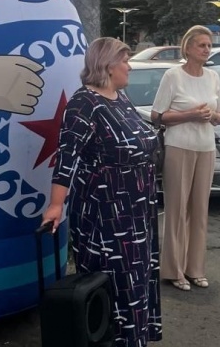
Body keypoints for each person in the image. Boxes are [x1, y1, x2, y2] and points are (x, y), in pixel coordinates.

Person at [42, 37, 162, 346]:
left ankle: (134, 339)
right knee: (116, 283)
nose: (129, 66)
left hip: (136, 209)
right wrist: (56, 205)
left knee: (136, 280)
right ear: (108, 66)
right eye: (125, 60)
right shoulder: (84, 103)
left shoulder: (119, 98)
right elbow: (66, 157)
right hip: (106, 213)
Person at [151, 25, 220, 291]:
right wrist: (189, 115)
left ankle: (195, 268)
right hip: (179, 147)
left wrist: (211, 116)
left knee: (200, 210)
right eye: (201, 45)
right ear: (188, 48)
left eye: (209, 45)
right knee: (177, 209)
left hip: (206, 148)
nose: (207, 49)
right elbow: (157, 116)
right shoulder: (173, 76)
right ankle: (174, 270)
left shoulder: (213, 77)